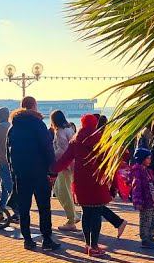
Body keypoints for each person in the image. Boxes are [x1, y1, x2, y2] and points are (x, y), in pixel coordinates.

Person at [49, 113, 119, 255]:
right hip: (97, 181)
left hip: (81, 181)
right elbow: (108, 163)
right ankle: (94, 246)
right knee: (96, 214)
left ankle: (87, 245)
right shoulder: (100, 139)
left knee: (86, 213)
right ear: (94, 124)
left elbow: (64, 160)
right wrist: (114, 184)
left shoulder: (75, 140)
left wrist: (52, 171)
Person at [7, 96, 60, 251]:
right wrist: (52, 169)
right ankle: (47, 239)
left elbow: (8, 152)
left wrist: (13, 171)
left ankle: (28, 240)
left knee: (24, 208)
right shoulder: (38, 124)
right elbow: (47, 148)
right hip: (39, 171)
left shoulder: (13, 127)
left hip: (21, 173)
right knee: (44, 207)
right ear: (34, 106)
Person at [50, 110, 80, 232]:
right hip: (71, 164)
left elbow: (62, 149)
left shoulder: (60, 132)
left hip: (64, 165)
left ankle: (72, 219)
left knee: (62, 191)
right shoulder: (69, 129)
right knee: (64, 190)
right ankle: (73, 216)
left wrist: (52, 157)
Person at [127, 148, 154, 248]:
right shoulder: (138, 171)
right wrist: (138, 202)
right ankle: (145, 239)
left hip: (152, 199)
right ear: (142, 158)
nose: (150, 160)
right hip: (145, 201)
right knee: (146, 220)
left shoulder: (148, 170)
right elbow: (136, 187)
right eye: (148, 158)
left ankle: (150, 235)